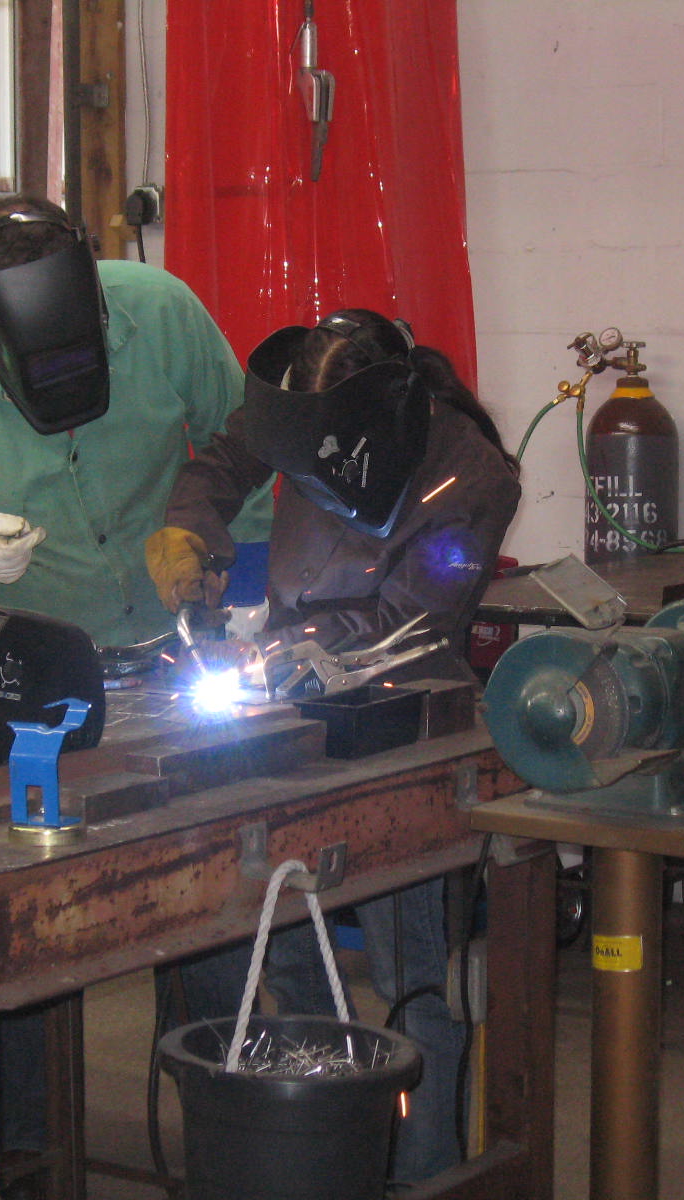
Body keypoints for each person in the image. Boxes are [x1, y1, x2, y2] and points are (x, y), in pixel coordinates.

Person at [0, 192, 271, 1157]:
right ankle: (30, 1156)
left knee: (210, 899)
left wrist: (239, 585)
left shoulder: (159, 312)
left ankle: (234, 1138)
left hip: (177, 658)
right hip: (29, 680)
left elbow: (248, 443)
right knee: (26, 925)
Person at [146, 308, 521, 1184]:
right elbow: (224, 461)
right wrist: (192, 526)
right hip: (290, 726)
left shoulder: (468, 476)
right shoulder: (302, 415)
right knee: (289, 941)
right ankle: (323, 1151)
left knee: (411, 980)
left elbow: (409, 626)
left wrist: (267, 649)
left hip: (403, 728)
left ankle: (420, 1172)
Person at [0, 192, 269, 649]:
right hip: (25, 648)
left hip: (175, 633)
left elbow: (245, 448)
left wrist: (246, 598)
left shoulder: (163, 310)